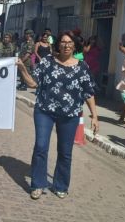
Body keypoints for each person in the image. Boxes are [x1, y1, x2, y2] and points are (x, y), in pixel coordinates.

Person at [16, 32, 99, 200]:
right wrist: (22, 68)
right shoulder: (47, 62)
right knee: (40, 146)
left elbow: (88, 92)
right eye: (63, 42)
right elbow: (33, 83)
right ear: (58, 44)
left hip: (70, 115)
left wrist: (95, 116)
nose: (66, 45)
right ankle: (38, 184)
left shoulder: (82, 67)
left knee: (65, 151)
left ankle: (60, 185)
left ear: (74, 46)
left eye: (69, 43)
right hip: (44, 111)